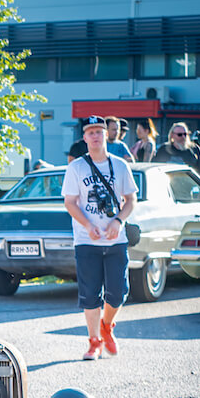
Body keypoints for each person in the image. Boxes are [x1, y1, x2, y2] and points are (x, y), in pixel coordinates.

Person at [62, 115, 137, 361]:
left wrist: (118, 221)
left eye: (99, 131)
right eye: (90, 132)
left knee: (118, 292)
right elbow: (70, 203)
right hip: (86, 240)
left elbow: (130, 200)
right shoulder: (76, 167)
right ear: (84, 138)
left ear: (107, 135)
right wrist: (88, 224)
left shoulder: (120, 165)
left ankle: (107, 325)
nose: (95, 136)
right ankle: (94, 341)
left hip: (116, 240)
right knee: (90, 293)